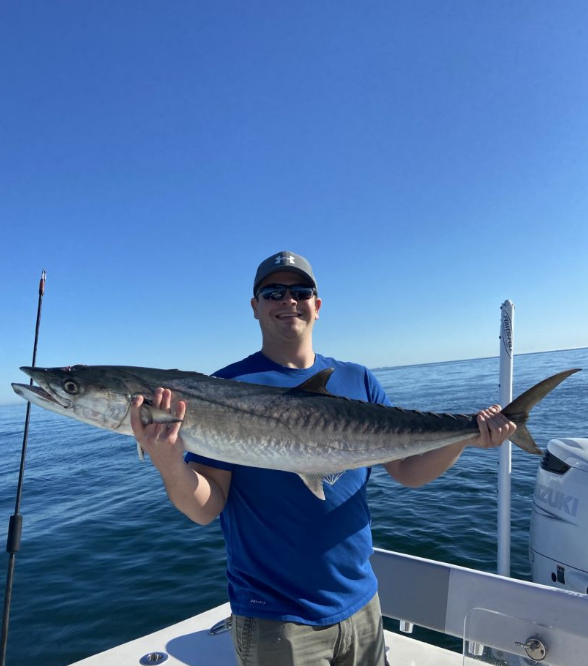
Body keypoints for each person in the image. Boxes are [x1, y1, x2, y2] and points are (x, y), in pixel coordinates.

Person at [130, 251, 516, 666]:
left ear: (317, 305)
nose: (288, 300)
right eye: (273, 292)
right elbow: (207, 507)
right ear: (255, 307)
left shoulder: (358, 379)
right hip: (276, 617)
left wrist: (464, 437)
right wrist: (169, 459)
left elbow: (408, 471)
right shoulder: (223, 387)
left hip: (362, 602)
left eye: (300, 291)